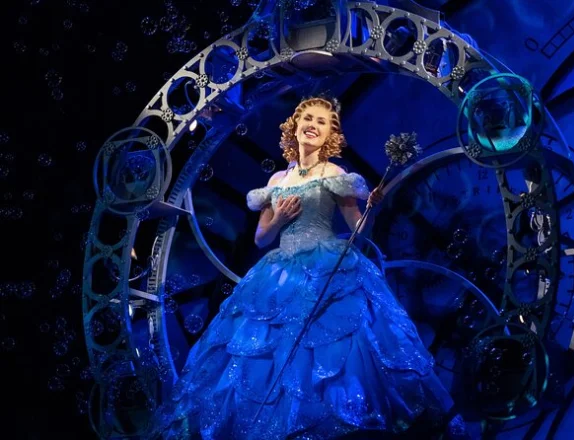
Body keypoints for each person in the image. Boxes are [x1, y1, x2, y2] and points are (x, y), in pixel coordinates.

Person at [149, 97, 469, 439]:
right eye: (308, 119)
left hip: (328, 266)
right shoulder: (276, 180)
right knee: (261, 348)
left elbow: (358, 230)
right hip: (280, 272)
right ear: (295, 125)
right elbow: (261, 238)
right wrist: (279, 219)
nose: (313, 126)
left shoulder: (335, 174)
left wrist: (371, 208)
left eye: (322, 122)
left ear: (331, 134)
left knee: (335, 345)